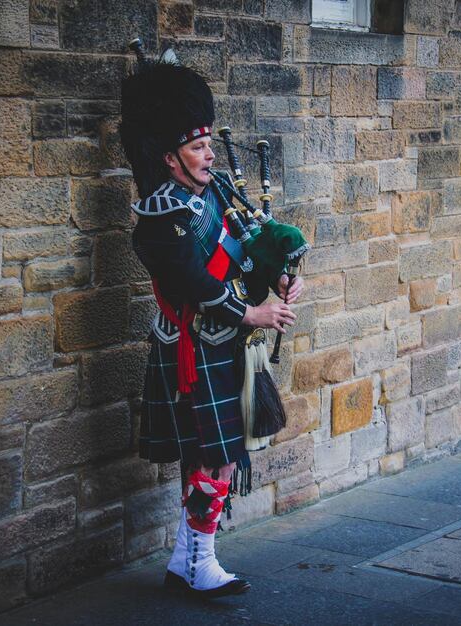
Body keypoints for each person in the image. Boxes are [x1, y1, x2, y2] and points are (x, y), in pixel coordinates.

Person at [119, 59, 303, 597]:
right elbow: (195, 284)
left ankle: (188, 560)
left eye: (208, 145)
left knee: (211, 452)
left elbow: (247, 249)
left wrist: (279, 280)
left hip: (223, 345)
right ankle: (201, 562)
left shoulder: (217, 191)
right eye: (197, 148)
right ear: (168, 157)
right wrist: (254, 315)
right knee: (215, 454)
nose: (210, 155)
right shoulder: (159, 216)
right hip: (192, 344)